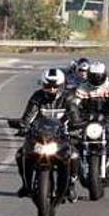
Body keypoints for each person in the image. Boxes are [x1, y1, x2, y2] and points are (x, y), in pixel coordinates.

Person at [15, 68, 78, 199]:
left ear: (61, 86)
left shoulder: (69, 97)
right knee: (21, 154)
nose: (52, 89)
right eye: (48, 86)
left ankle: (70, 184)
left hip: (62, 137)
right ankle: (26, 185)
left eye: (55, 86)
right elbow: (28, 116)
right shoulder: (37, 97)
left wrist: (77, 127)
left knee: (74, 155)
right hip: (40, 137)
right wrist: (23, 126)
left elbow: (74, 116)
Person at [68, 61, 109, 178]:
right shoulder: (83, 87)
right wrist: (74, 115)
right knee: (73, 140)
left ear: (104, 75)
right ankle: (74, 170)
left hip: (107, 119)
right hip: (87, 120)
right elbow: (74, 103)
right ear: (90, 75)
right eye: (94, 76)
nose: (97, 78)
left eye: (99, 76)